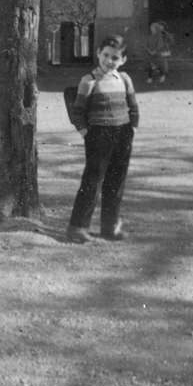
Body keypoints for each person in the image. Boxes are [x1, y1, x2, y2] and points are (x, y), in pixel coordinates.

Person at [65, 34, 139, 244]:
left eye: (115, 58)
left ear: (123, 60)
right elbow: (77, 111)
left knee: (116, 182)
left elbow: (133, 106)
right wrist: (85, 133)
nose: (109, 61)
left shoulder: (124, 80)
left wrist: (132, 128)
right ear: (98, 53)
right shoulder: (89, 81)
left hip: (122, 134)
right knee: (92, 182)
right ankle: (77, 227)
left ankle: (110, 227)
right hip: (98, 136)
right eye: (106, 55)